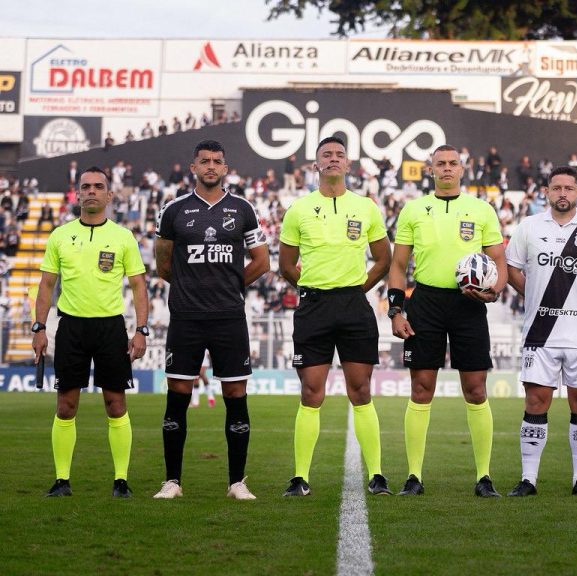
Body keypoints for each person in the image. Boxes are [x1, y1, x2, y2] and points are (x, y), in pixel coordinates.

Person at [389, 144, 507, 497]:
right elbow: (398, 265)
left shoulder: (482, 209)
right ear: (430, 170)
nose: (446, 168)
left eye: (453, 163)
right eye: (440, 163)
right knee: (421, 388)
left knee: (476, 389)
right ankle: (413, 476)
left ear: (462, 169)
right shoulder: (413, 209)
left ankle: (484, 477)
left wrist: (494, 292)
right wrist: (396, 310)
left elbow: (499, 262)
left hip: (469, 304)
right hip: (425, 302)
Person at [153, 140, 270, 500]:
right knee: (178, 393)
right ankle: (172, 481)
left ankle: (237, 482)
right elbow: (163, 264)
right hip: (186, 317)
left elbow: (262, 261)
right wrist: (190, 287)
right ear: (193, 167)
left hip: (228, 317)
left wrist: (231, 285)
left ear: (225, 168)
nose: (210, 166)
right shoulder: (173, 210)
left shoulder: (243, 209)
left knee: (235, 393)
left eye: (217, 161)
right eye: (204, 161)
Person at [279, 136, 392, 497]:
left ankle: (377, 475)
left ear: (348, 164)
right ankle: (300, 477)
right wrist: (313, 287)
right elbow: (286, 265)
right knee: (311, 392)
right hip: (314, 307)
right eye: (326, 154)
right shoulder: (298, 209)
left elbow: (384, 259)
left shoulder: (366, 207)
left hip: (353, 307)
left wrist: (357, 289)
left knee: (361, 390)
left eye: (339, 154)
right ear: (316, 164)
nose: (333, 159)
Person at [505, 166, 577, 497]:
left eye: (569, 188)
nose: (562, 193)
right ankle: (528, 479)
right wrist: (536, 298)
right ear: (546, 192)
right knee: (535, 401)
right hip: (540, 333)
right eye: (556, 188)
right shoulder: (528, 227)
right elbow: (511, 270)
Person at [32, 166, 148, 498]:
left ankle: (121, 481)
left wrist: (141, 330)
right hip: (71, 327)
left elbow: (138, 286)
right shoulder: (60, 235)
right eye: (86, 187)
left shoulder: (123, 237)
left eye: (98, 186)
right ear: (78, 194)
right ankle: (62, 480)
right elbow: (46, 285)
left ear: (109, 195)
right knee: (66, 406)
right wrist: (39, 327)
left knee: (116, 404)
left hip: (110, 327)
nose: (92, 191)